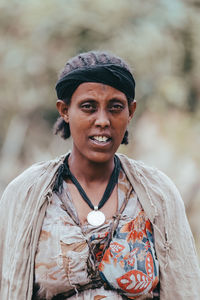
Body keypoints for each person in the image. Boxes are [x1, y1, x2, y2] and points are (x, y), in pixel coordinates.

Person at [0, 51, 200, 300]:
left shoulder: (157, 193)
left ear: (131, 112)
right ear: (64, 110)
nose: (103, 120)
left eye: (115, 107)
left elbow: (185, 286)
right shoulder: (26, 193)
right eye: (88, 107)